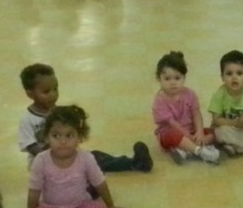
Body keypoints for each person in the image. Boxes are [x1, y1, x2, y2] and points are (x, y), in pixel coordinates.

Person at [17, 63, 151, 173]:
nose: (53, 94)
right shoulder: (27, 120)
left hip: (68, 156)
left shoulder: (58, 112)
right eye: (46, 91)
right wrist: (60, 154)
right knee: (86, 166)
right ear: (30, 94)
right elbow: (32, 148)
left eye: (55, 89)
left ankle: (134, 163)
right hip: (44, 165)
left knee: (95, 157)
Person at [27, 105, 123, 208]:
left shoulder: (86, 158)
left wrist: (111, 206)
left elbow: (100, 183)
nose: (63, 141)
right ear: (47, 137)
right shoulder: (41, 160)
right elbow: (33, 193)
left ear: (80, 137)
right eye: (56, 135)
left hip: (79, 207)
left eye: (69, 135)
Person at [153, 51, 220, 164]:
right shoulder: (160, 100)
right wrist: (188, 136)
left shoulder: (190, 94)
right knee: (172, 135)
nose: (172, 82)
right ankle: (199, 151)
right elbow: (172, 124)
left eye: (177, 78)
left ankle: (185, 150)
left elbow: (196, 114)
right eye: (167, 79)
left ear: (184, 78)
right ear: (159, 79)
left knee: (216, 132)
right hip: (171, 132)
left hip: (191, 131)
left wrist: (199, 132)